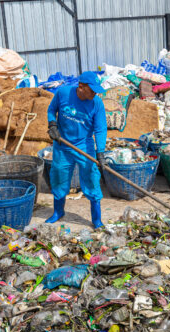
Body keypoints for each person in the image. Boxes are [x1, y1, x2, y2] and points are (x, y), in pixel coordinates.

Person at [46, 71, 108, 229]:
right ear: (81, 86)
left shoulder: (97, 103)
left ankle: (96, 219)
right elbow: (51, 110)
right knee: (59, 177)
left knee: (92, 178)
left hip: (84, 146)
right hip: (63, 145)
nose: (95, 93)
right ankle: (58, 212)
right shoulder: (63, 93)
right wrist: (52, 125)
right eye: (92, 90)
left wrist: (100, 152)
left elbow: (100, 129)